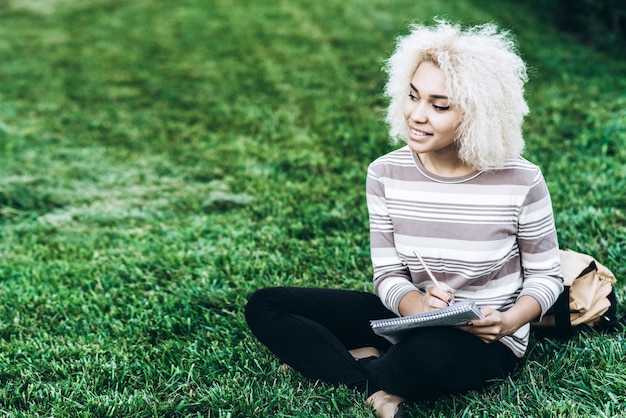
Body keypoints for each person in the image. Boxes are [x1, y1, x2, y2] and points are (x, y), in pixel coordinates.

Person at [245, 20, 563, 418]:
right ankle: (378, 377)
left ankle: (349, 365)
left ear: (480, 115)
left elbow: (546, 275)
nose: (417, 114)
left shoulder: (521, 179)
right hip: (409, 321)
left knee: (425, 359)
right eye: (413, 96)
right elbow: (388, 275)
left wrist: (510, 320)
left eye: (439, 105)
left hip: (485, 338)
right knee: (266, 305)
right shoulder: (385, 173)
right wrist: (418, 308)